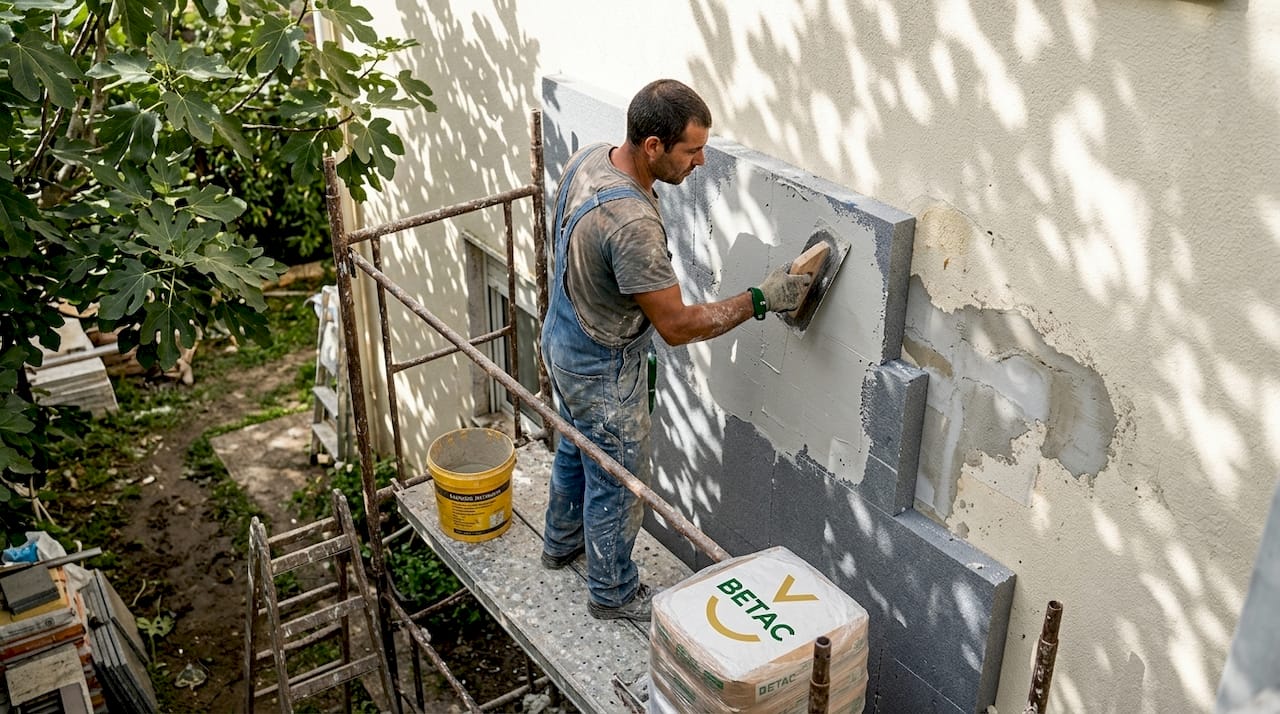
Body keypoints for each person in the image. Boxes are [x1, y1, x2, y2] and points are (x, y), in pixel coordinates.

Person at [539, 79, 813, 622]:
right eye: (692, 150)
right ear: (653, 146)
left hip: (563, 337)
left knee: (576, 446)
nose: (702, 161)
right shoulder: (633, 225)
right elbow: (678, 325)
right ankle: (613, 594)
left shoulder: (593, 158)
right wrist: (762, 299)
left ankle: (559, 543)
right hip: (602, 369)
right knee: (618, 479)